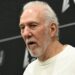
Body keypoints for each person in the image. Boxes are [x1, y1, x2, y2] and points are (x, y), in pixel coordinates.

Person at [19, 1, 75, 75]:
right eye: (22, 27)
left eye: (33, 25)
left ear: (52, 29)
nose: (26, 33)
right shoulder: (29, 71)